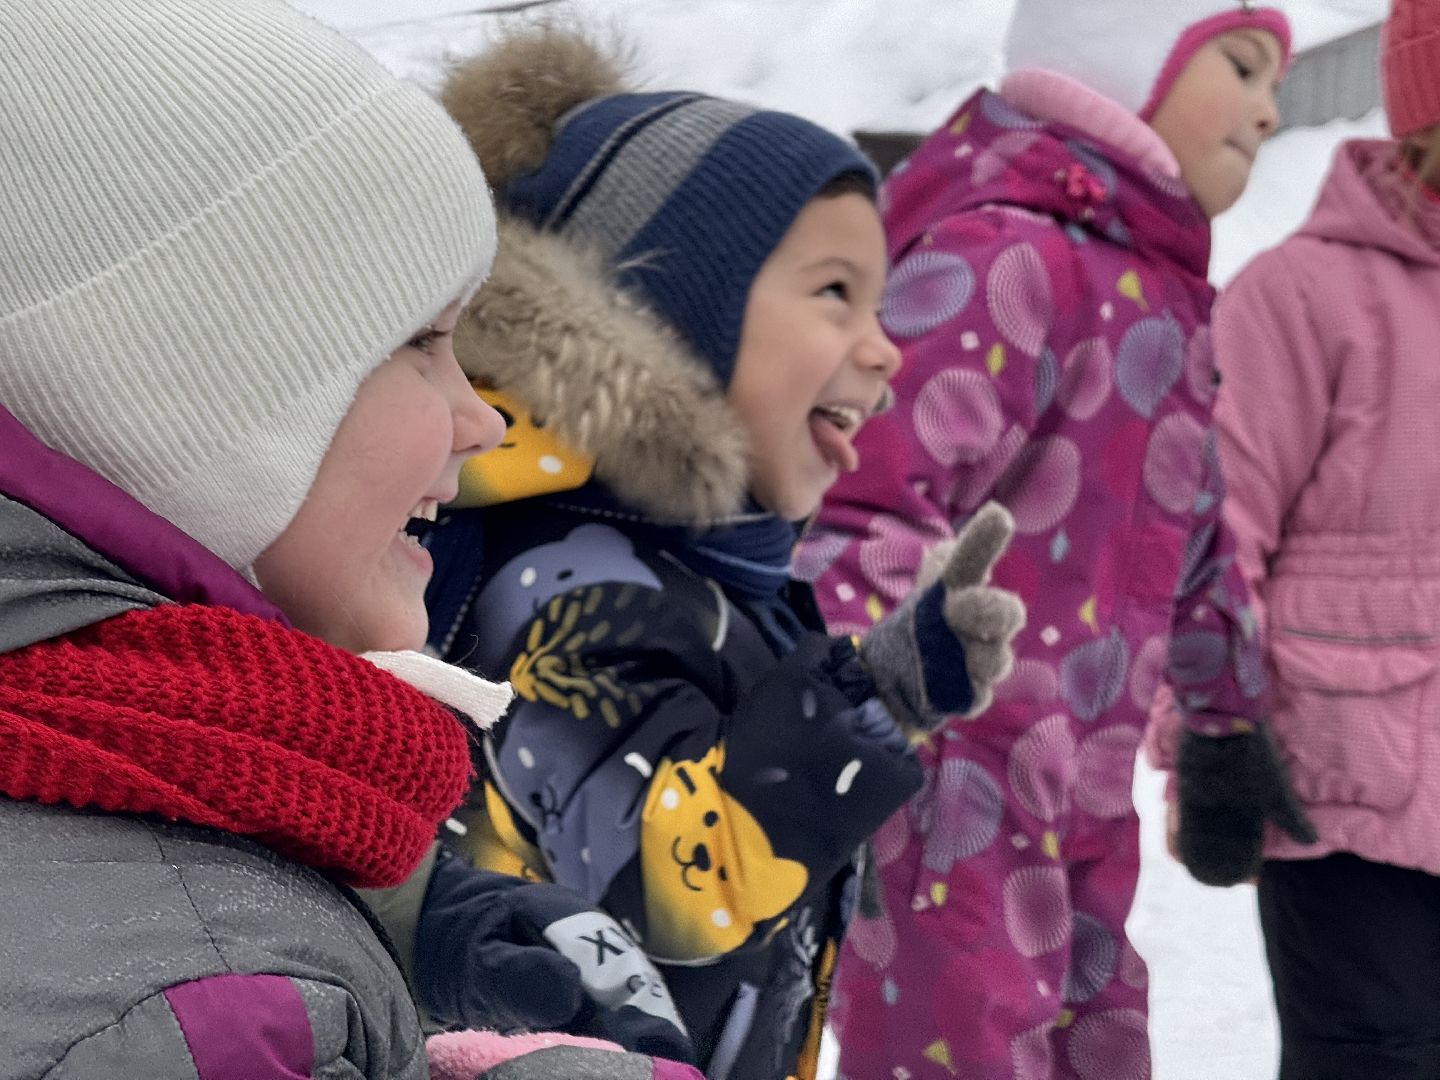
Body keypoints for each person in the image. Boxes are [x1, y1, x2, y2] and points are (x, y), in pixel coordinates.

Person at [0, 4, 701, 1078]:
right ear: (173, 399)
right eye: (421, 343)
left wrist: (406, 919)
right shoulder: (199, 1006)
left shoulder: (155, 793)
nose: (484, 421)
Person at [418, 27, 1026, 1080]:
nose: (885, 349)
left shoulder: (685, 570)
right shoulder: (571, 591)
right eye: (836, 293)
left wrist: (889, 683)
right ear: (676, 315)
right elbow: (669, 884)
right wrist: (858, 720)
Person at [798, 2, 1306, 1076]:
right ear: (1123, 57)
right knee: (960, 1053)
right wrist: (877, 695)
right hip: (951, 790)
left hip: (1084, 783)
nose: (1270, 111)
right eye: (1244, 65)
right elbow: (865, 503)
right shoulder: (1009, 255)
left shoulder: (1158, 288)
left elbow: (1194, 524)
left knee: (1098, 1045)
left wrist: (1225, 725)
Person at [1148, 1, 1440, 1074]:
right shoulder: (1299, 299)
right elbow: (1209, 537)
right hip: (1343, 792)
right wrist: (1205, 749)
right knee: (1377, 1059)